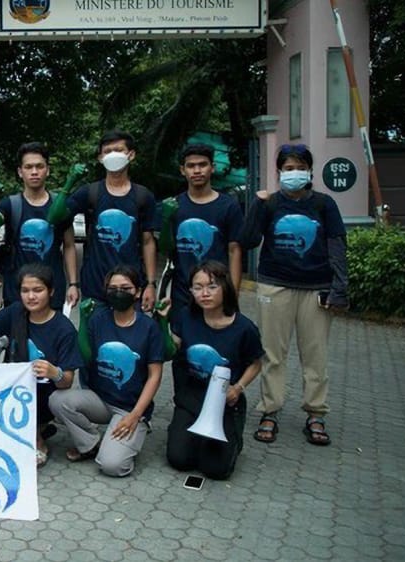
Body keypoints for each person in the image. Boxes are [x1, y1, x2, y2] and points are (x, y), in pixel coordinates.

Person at [240, 143, 348, 446]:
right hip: (275, 285)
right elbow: (248, 240)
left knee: (315, 355)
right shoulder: (271, 204)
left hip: (316, 288)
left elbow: (337, 246)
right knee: (273, 354)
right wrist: (257, 205)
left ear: (310, 170)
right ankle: (270, 411)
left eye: (300, 167)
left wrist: (339, 289)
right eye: (288, 168)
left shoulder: (324, 205)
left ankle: (315, 413)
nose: (294, 173)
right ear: (279, 172)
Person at [48, 265, 163, 477]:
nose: (118, 292)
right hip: (100, 400)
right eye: (113, 288)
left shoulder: (149, 327)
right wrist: (82, 320)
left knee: (112, 466)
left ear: (137, 292)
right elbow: (86, 356)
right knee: (57, 400)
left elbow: (155, 376)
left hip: (129, 408)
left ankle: (132, 432)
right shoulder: (98, 320)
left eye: (125, 288)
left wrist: (136, 415)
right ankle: (91, 443)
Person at [0, 264, 84, 468]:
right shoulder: (16, 312)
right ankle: (35, 430)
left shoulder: (64, 329)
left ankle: (39, 435)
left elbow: (67, 382)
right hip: (13, 391)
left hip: (44, 396)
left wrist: (54, 373)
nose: (31, 297)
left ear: (51, 291)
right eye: (25, 291)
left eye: (38, 290)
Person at [160, 261, 264, 480]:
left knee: (216, 469)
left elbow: (255, 364)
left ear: (225, 287)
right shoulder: (185, 318)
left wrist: (239, 387)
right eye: (197, 288)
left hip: (224, 401)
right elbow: (169, 351)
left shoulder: (245, 328)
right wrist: (161, 322)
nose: (204, 293)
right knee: (179, 459)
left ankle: (234, 436)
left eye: (212, 286)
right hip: (191, 396)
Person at [47, 131, 157, 311]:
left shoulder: (143, 196)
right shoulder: (89, 193)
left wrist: (151, 284)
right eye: (108, 151)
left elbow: (148, 241)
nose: (113, 155)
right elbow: (54, 217)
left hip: (131, 287)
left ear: (131, 154)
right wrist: (69, 183)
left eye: (119, 150)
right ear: (100, 157)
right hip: (95, 287)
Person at [0, 142, 82, 311]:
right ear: (20, 172)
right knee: (18, 336)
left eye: (39, 166)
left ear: (47, 170)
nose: (34, 172)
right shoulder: (11, 204)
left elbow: (69, 245)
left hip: (52, 288)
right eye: (28, 167)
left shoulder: (60, 204)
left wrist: (74, 284)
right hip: (17, 289)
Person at [160, 144, 244, 315]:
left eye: (202, 165)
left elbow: (234, 251)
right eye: (191, 166)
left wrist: (233, 294)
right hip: (182, 291)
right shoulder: (174, 206)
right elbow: (165, 249)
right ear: (183, 170)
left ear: (212, 168)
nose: (197, 170)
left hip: (217, 291)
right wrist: (166, 219)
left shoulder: (228, 206)